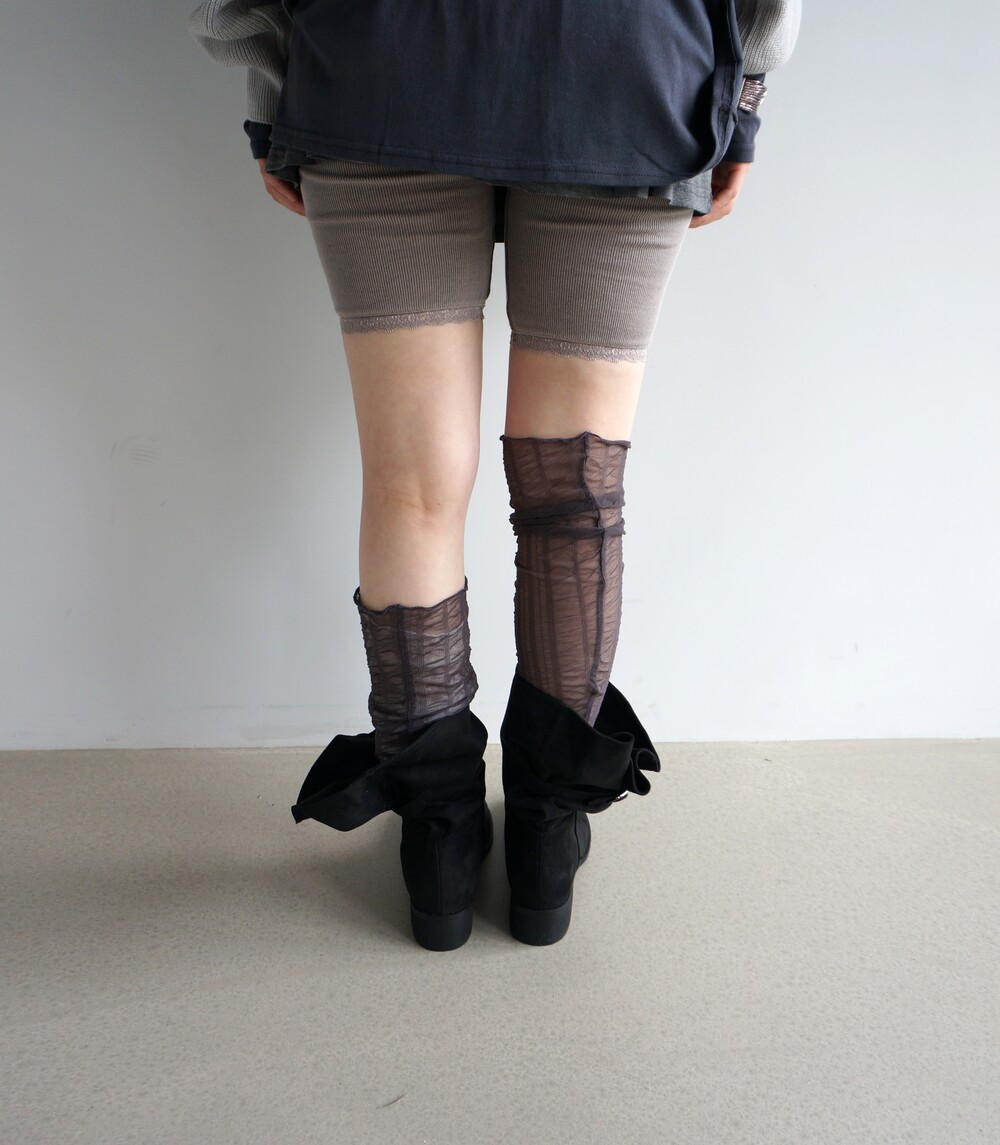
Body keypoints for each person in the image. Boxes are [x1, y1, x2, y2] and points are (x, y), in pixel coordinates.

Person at [188, 0, 801, 951]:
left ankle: (438, 841)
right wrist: (743, 94)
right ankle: (546, 835)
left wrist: (277, 87)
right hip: (628, 71)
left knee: (412, 487)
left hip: (379, 68)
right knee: (576, 493)